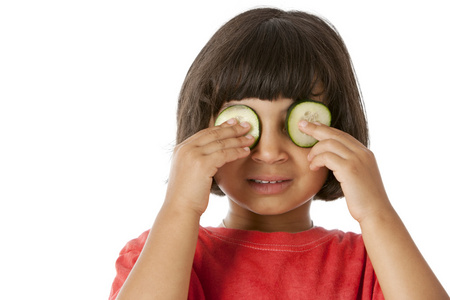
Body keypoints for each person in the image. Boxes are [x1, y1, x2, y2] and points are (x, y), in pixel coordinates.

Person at [108, 7, 448, 299]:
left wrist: (376, 211)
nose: (269, 152)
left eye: (300, 123)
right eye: (243, 123)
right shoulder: (157, 254)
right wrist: (179, 206)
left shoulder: (377, 261)